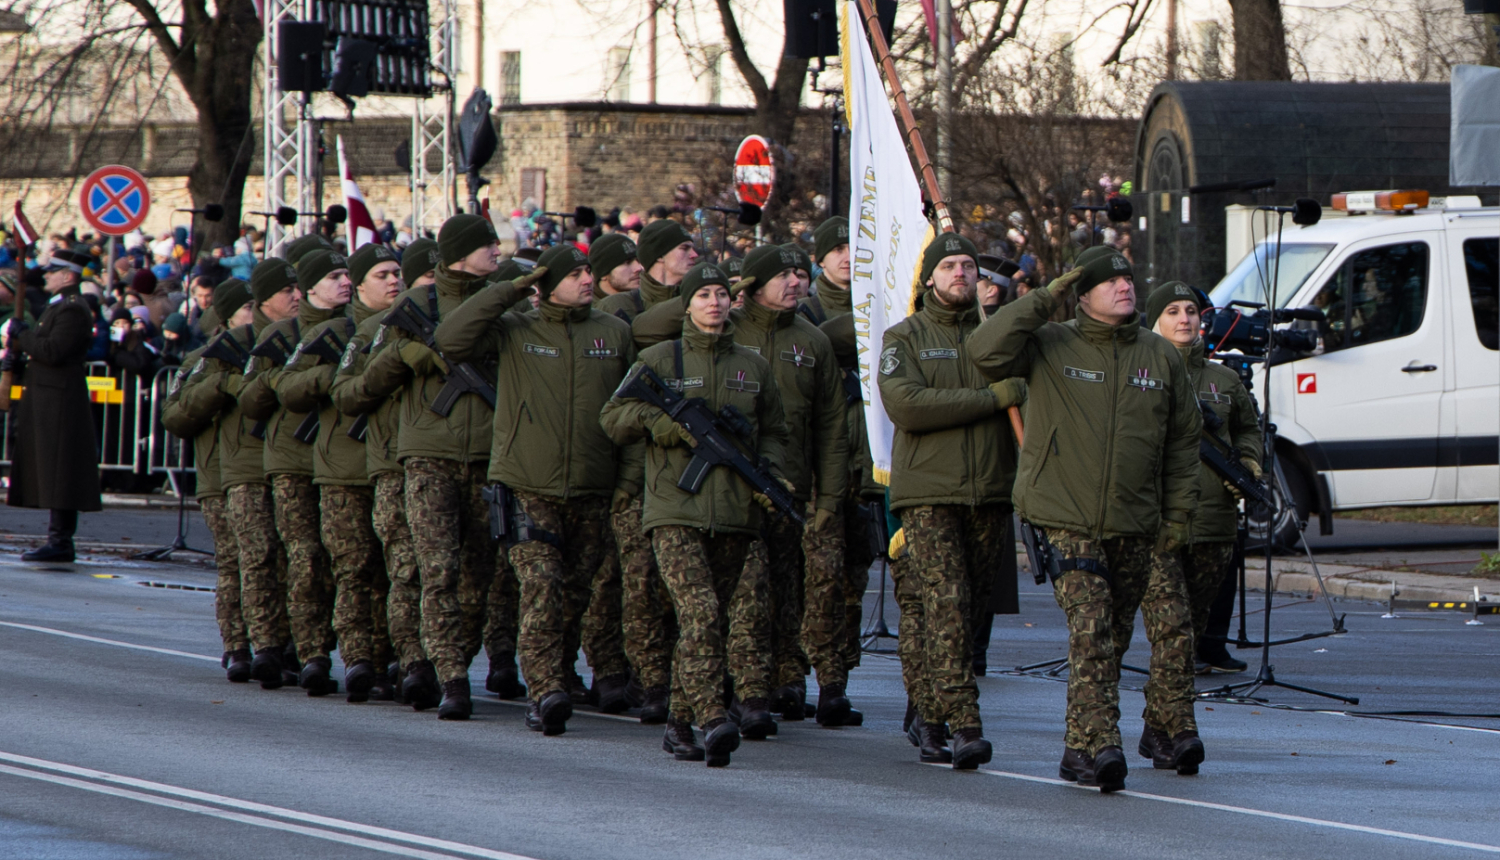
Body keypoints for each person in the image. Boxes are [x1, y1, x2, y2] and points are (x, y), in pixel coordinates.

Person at [968, 244, 1202, 793]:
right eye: (1109, 282)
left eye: (1128, 279)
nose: (1125, 287)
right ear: (1082, 293)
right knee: (1092, 629)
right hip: (1065, 514)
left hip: (1135, 521)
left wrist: (1177, 516)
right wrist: (1043, 297)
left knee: (1111, 640)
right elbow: (983, 350)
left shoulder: (1158, 355)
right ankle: (1100, 744)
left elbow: (1182, 440)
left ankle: (1078, 746)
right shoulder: (1050, 343)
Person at [435, 243, 634, 736]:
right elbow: (451, 339)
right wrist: (510, 289)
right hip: (528, 485)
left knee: (574, 595)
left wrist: (626, 483)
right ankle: (544, 690)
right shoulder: (515, 328)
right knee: (541, 586)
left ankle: (558, 675)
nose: (587, 279)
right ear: (545, 287)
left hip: (592, 487)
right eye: (575, 274)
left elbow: (630, 407)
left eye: (590, 271)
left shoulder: (615, 333)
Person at [600, 261, 788, 767]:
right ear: (686, 304)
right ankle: (711, 716)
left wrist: (772, 474)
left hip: (734, 512)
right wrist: (662, 425)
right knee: (700, 612)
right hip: (674, 510)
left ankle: (679, 724)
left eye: (722, 294)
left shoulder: (753, 366)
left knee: (707, 621)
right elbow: (613, 416)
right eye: (703, 294)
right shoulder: (659, 360)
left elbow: (775, 430)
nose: (714, 302)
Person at [357, 214, 508, 719]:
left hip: (488, 456)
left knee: (477, 576)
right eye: (488, 245)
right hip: (428, 456)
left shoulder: (503, 307)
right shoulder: (414, 305)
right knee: (432, 570)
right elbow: (367, 383)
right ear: (462, 253)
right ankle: (436, 670)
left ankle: (452, 658)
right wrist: (412, 354)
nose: (497, 252)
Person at [876, 233, 1018, 770]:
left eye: (968, 266)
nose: (961, 273)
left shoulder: (996, 337)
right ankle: (964, 725)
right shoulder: (904, 336)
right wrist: (989, 399)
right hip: (930, 495)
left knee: (964, 612)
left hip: (990, 491)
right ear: (929, 277)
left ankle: (927, 715)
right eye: (950, 265)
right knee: (947, 605)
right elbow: (907, 405)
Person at [733, 244, 849, 725]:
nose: (796, 283)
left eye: (800, 274)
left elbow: (831, 426)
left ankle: (788, 678)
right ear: (753, 285)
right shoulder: (726, 329)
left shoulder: (812, 340)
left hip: (794, 489)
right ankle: (749, 688)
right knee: (748, 592)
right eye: (782, 275)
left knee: (790, 589)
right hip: (734, 487)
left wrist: (831, 496)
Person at [279, 244, 397, 702]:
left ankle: (385, 658)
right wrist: (335, 375)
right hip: (343, 464)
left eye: (396, 273)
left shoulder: (399, 328)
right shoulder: (333, 333)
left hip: (388, 462)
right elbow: (287, 386)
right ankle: (341, 656)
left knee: (392, 572)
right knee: (344, 569)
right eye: (338, 277)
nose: (345, 283)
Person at [239, 247, 349, 696]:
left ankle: (324, 645)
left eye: (348, 275)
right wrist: (288, 377)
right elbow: (251, 397)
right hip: (293, 458)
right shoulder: (282, 336)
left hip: (341, 460)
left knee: (339, 561)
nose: (344, 282)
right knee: (299, 557)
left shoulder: (357, 331)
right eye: (334, 276)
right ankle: (304, 652)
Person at [1145, 283, 1262, 675]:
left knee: (1202, 605)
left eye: (1191, 311)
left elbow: (1248, 428)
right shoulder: (1139, 375)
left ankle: (1195, 655)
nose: (1184, 319)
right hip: (1157, 515)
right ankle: (1174, 672)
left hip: (1214, 516)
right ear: (1156, 321)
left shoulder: (1224, 379)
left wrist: (1249, 461)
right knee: (1169, 610)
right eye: (1173, 311)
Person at [798, 216, 880, 713]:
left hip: (866, 467)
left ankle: (838, 679)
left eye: (856, 248)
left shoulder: (880, 302)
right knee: (818, 579)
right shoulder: (804, 312)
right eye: (838, 249)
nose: (848, 257)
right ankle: (810, 674)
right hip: (822, 467)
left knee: (854, 577)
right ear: (821, 259)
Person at [161, 302, 253, 681]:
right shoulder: (202, 360)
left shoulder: (280, 347)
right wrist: (218, 385)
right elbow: (175, 415)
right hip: (218, 474)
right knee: (234, 563)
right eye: (246, 306)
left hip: (261, 471)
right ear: (227, 318)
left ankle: (277, 642)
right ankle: (237, 644)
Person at [3, 248, 103, 562]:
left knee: (60, 469)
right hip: (49, 396)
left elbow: (54, 350)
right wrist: (18, 357)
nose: (46, 275)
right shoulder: (59, 306)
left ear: (68, 276)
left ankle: (61, 541)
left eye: (52, 271)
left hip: (60, 399)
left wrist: (25, 336)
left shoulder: (73, 309)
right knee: (53, 468)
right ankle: (57, 539)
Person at [597, 219, 696, 322]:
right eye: (684, 248)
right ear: (660, 255)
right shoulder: (614, 306)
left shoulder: (704, 298)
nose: (694, 255)